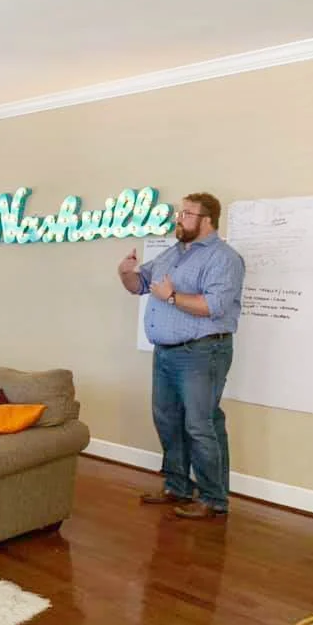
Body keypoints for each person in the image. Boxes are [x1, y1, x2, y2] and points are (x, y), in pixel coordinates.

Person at [118, 193, 245, 519]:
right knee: (167, 419)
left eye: (187, 214)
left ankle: (213, 498)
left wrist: (172, 296)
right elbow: (139, 285)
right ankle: (177, 486)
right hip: (166, 352)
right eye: (179, 213)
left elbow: (214, 306)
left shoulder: (224, 258)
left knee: (201, 424)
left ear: (207, 220)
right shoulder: (172, 253)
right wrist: (126, 272)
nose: (179, 218)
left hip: (202, 353)